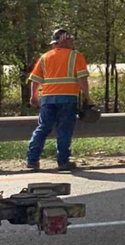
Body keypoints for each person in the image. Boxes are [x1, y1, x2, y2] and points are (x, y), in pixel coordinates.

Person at [26, 28, 90, 171]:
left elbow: (35, 80)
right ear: (64, 41)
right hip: (68, 98)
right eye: (70, 39)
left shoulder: (45, 57)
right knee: (64, 130)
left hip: (47, 99)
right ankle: (63, 162)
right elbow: (82, 80)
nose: (72, 42)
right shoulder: (76, 56)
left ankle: (32, 160)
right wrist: (88, 98)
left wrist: (33, 96)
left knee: (43, 128)